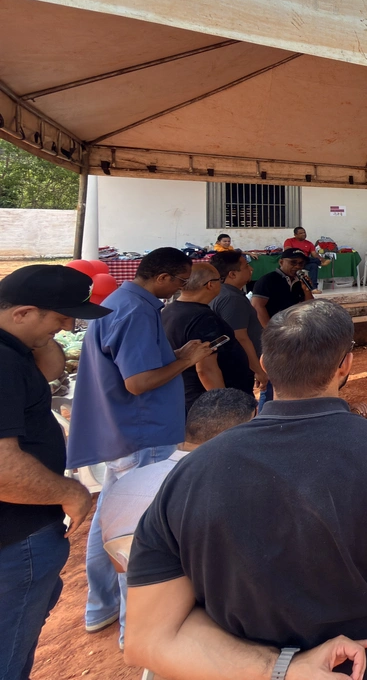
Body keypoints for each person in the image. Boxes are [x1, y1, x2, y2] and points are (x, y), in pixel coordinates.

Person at [125, 299, 367, 680]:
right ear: (346, 366)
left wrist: (281, 669)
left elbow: (146, 639)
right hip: (362, 662)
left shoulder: (190, 473)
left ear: (267, 366)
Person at [66, 247, 211, 638]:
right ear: (163, 278)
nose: (182, 289)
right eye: (181, 282)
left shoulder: (122, 301)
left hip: (124, 429)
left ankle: (102, 606)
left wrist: (176, 354)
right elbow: (138, 381)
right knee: (141, 526)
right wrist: (186, 360)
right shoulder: (137, 311)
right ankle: (138, 625)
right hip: (141, 432)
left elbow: (136, 367)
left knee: (110, 519)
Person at [0, 265, 109, 680]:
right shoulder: (3, 362)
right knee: (9, 652)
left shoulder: (13, 350)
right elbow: (4, 470)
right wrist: (71, 492)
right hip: (16, 536)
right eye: (59, 317)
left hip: (18, 533)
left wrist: (39, 337)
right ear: (23, 313)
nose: (67, 327)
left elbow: (47, 371)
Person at [96, 388, 256, 648]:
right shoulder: (231, 486)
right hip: (215, 627)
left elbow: (120, 565)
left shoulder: (122, 487)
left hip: (144, 622)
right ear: (251, 422)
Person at [162, 263, 256, 413]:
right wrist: (223, 407)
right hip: (209, 404)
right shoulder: (202, 318)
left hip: (188, 396)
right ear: (210, 285)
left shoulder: (169, 310)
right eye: (220, 280)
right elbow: (206, 369)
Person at [250, 247, 313, 404]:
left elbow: (310, 306)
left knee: (293, 379)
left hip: (294, 336)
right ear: (281, 262)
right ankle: (266, 418)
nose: (297, 267)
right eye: (293, 262)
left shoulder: (299, 282)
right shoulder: (268, 280)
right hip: (274, 338)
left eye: (301, 263)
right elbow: (258, 306)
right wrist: (272, 332)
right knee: (272, 383)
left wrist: (306, 290)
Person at [209, 251, 268, 396]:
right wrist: (258, 370)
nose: (251, 269)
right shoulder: (231, 299)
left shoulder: (224, 294)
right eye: (247, 266)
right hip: (237, 367)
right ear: (232, 274)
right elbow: (239, 337)